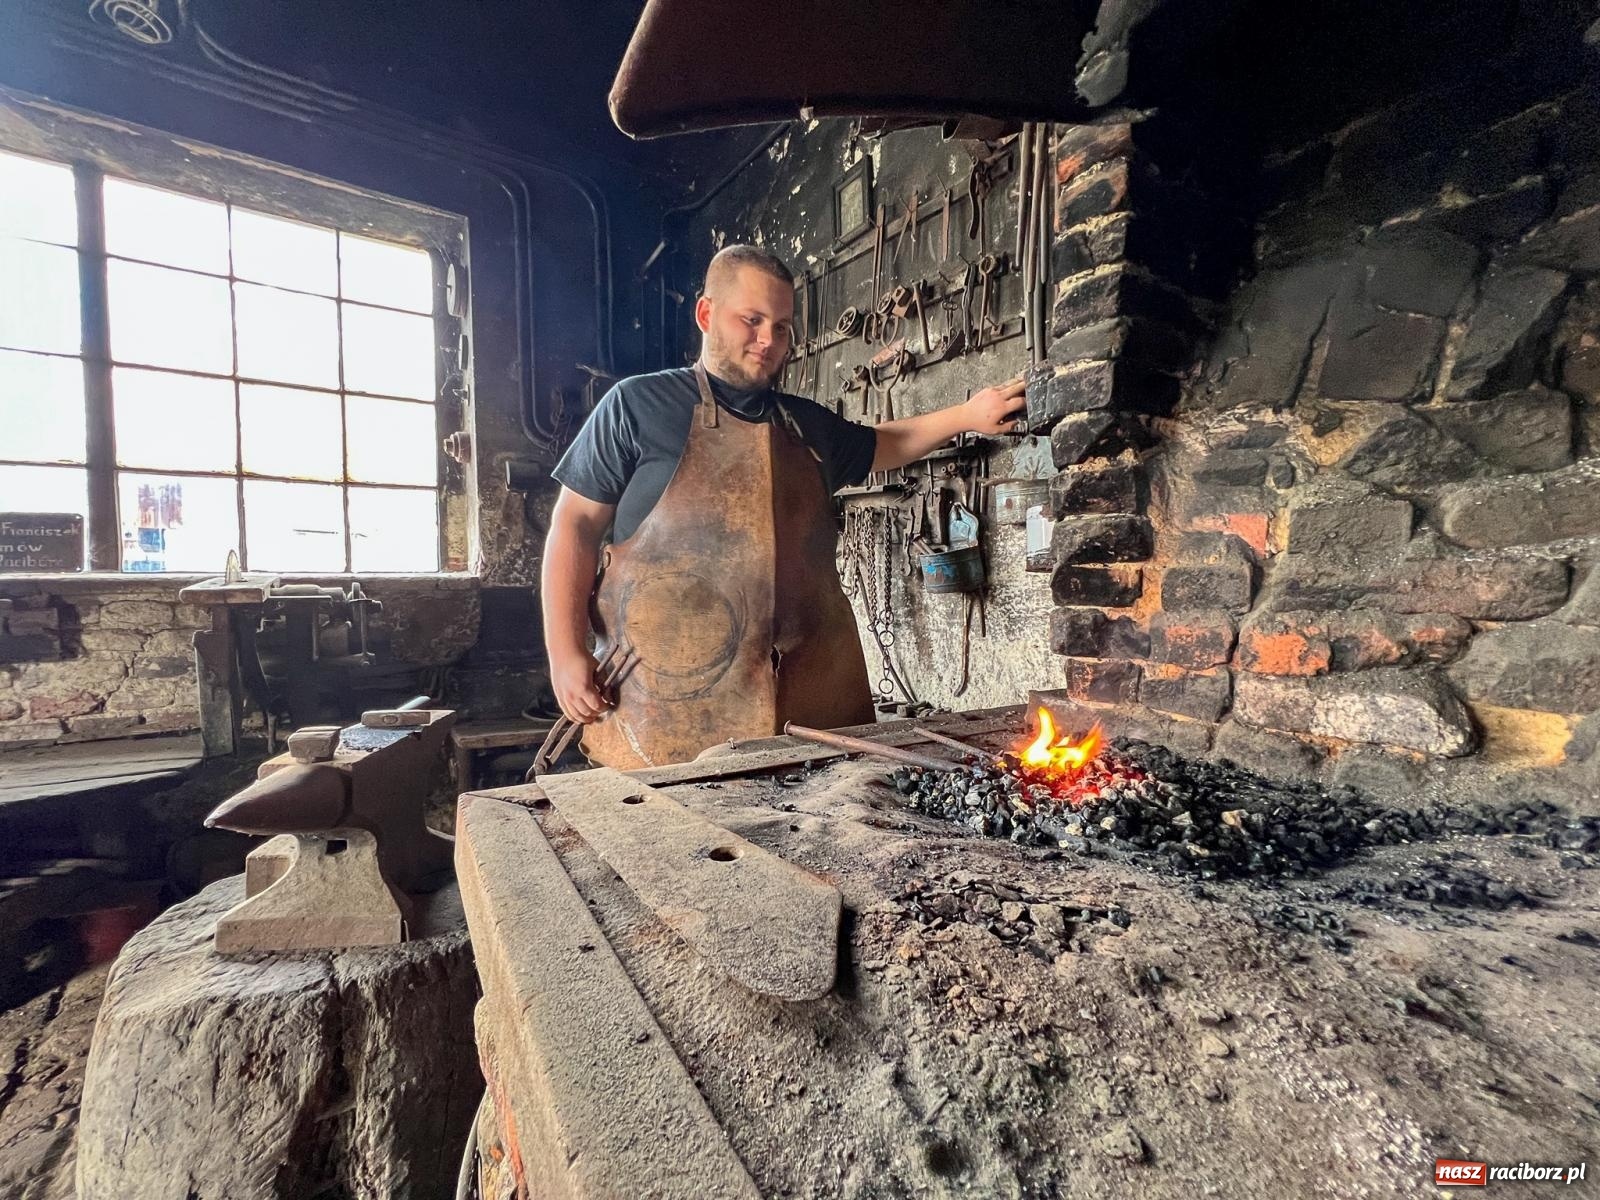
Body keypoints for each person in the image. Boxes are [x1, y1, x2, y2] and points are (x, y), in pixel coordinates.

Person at [543, 243, 1026, 768]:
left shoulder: (806, 425)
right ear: (706, 314)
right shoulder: (636, 406)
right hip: (662, 715)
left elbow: (886, 444)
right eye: (751, 320)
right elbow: (574, 525)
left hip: (811, 714)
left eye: (783, 327)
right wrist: (565, 653)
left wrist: (968, 414)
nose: (768, 340)